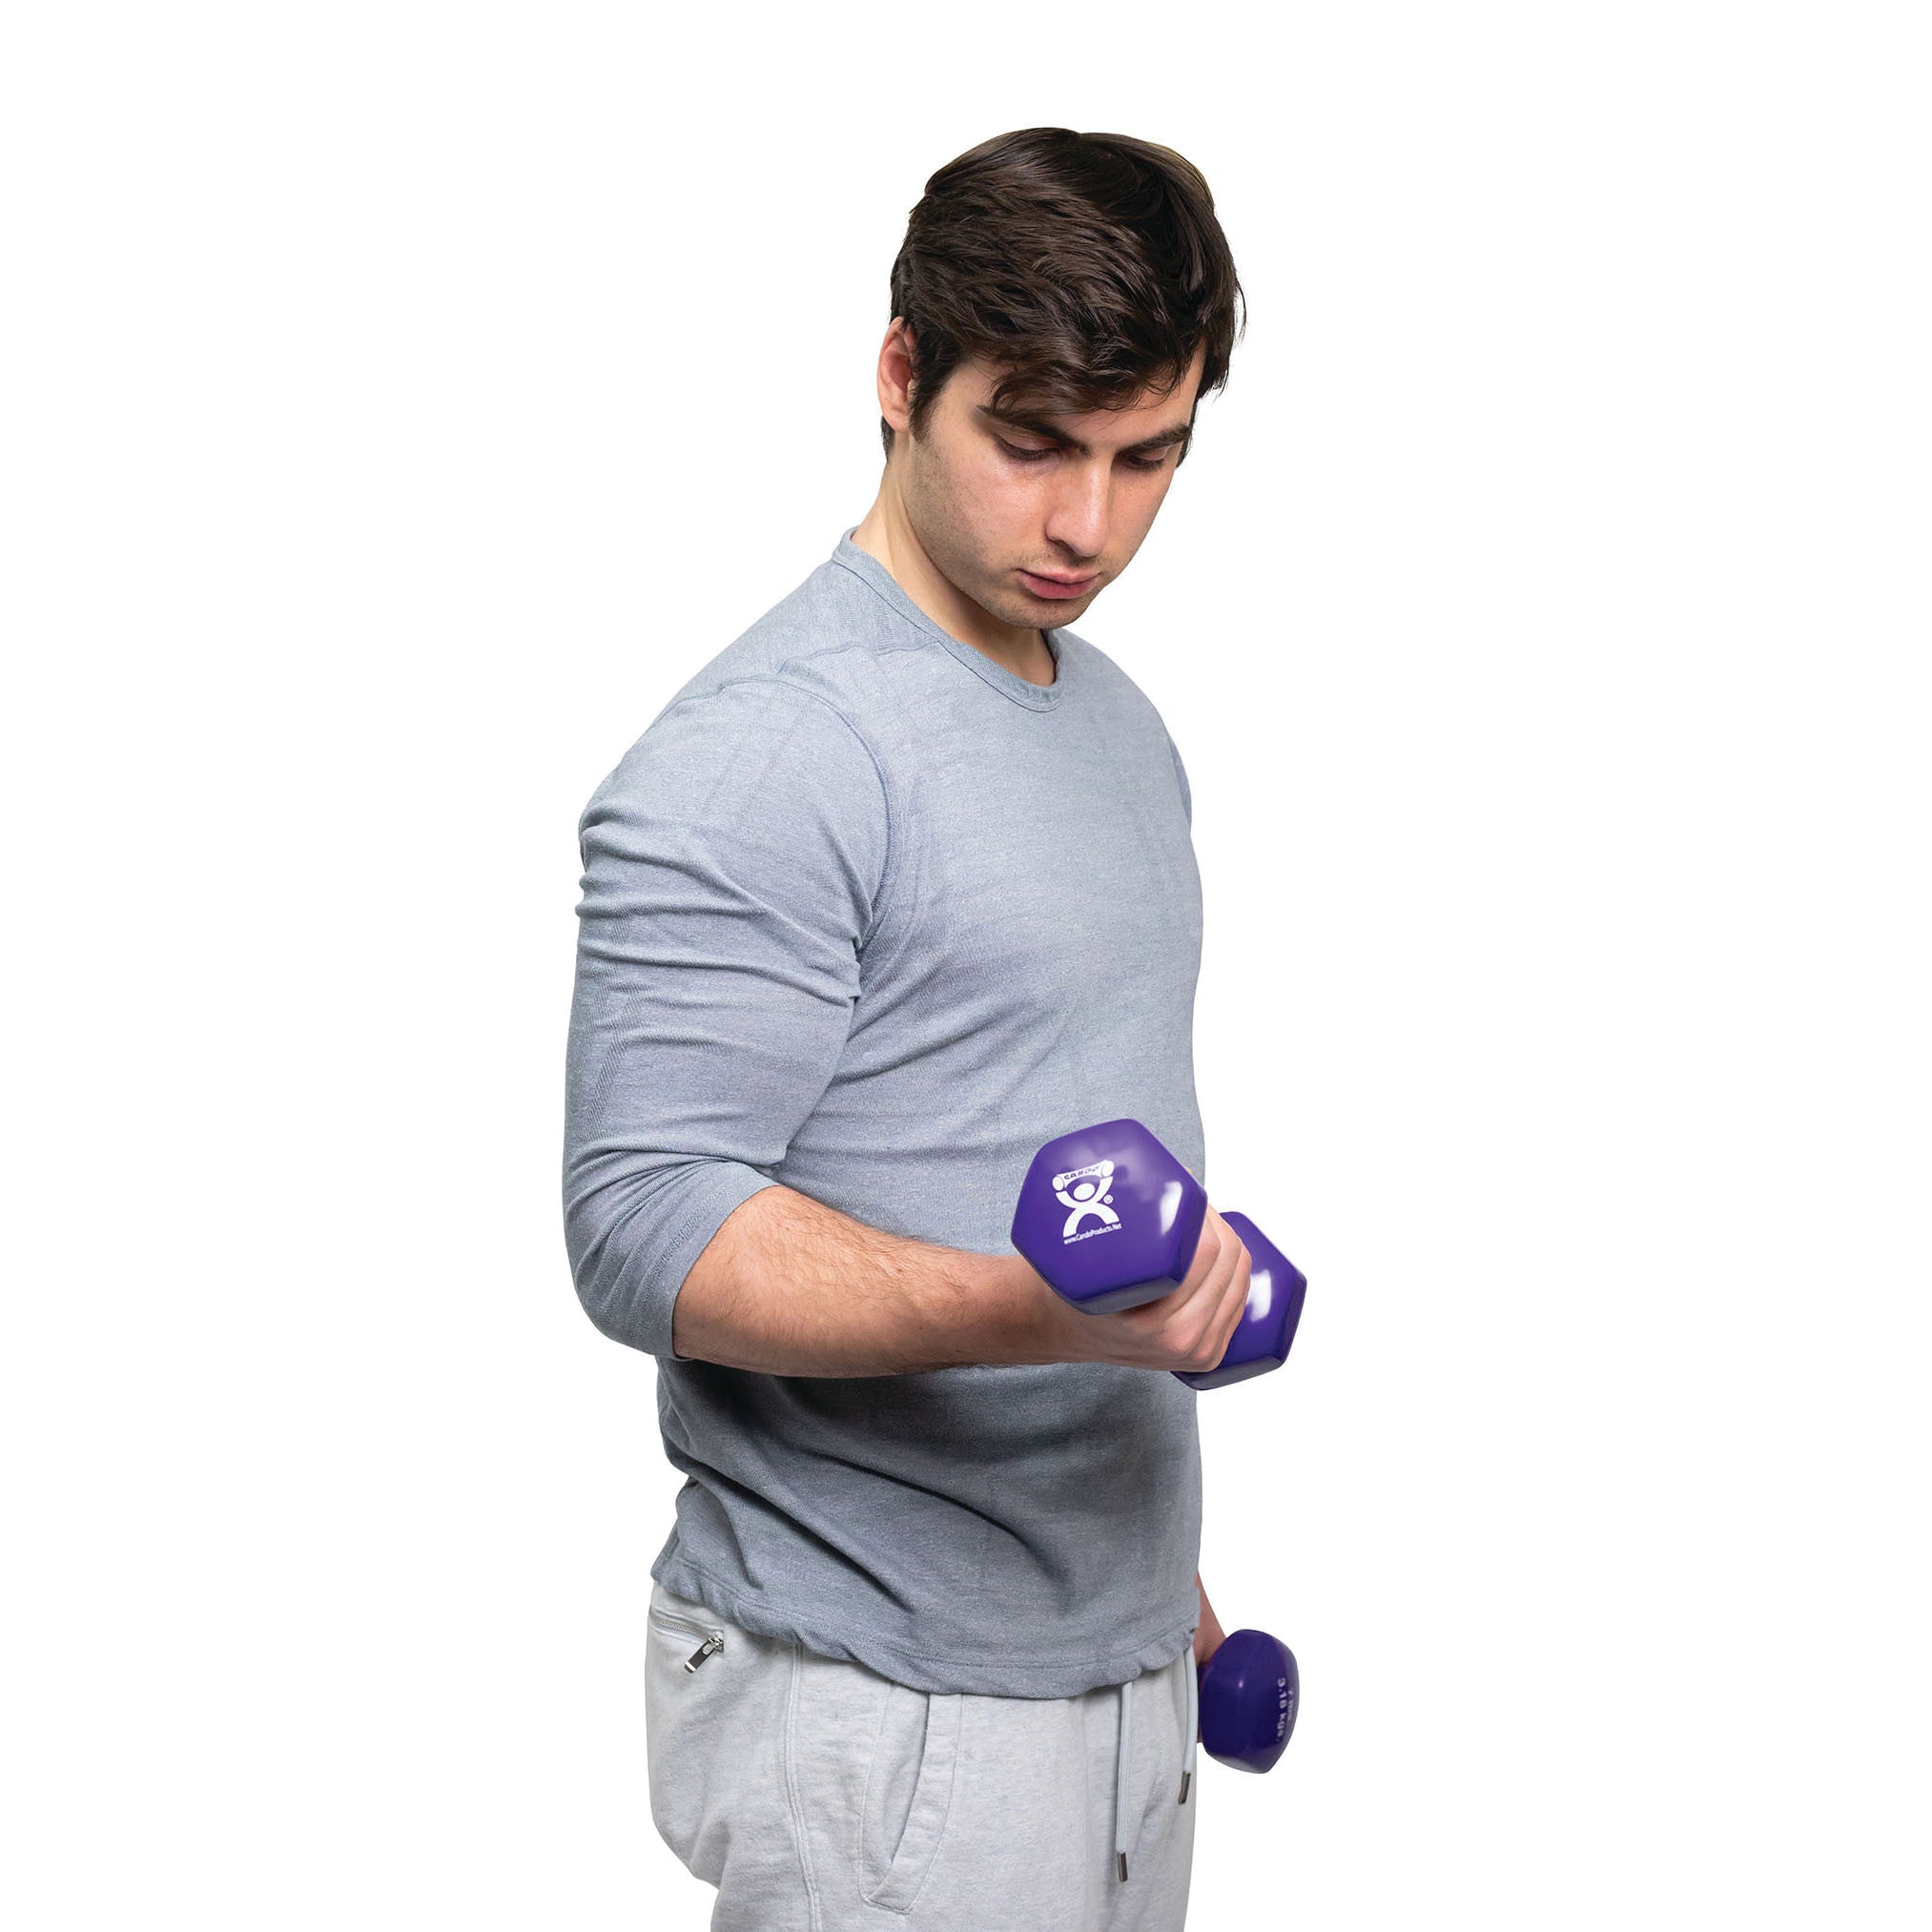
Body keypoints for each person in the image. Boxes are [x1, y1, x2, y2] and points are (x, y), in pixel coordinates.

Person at [564, 126, 1255, 1930]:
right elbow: (641, 1222)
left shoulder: (1114, 724)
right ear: (898, 375)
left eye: (1144, 455)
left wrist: (1141, 1570)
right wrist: (1031, 1322)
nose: (1085, 523)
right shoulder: (769, 748)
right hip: (887, 1708)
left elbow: (1062, 1133)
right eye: (1028, 442)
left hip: (1112, 1674)